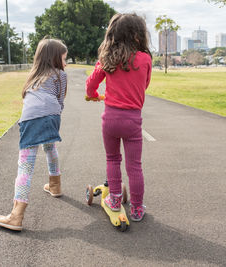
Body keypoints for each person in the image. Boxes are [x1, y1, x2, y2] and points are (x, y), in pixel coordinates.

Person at [0, 38, 68, 231]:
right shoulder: (60, 75)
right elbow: (60, 101)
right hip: (52, 116)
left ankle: (16, 215)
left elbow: (28, 101)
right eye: (63, 58)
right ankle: (55, 185)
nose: (65, 62)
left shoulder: (33, 76)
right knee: (50, 148)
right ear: (54, 58)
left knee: (26, 165)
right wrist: (54, 117)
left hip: (31, 118)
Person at [85, 13, 152, 222]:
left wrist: (94, 96)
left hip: (111, 119)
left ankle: (114, 199)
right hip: (133, 120)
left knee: (112, 159)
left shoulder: (107, 59)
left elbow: (90, 85)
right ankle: (137, 208)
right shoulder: (145, 59)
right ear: (138, 35)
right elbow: (144, 85)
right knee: (135, 166)